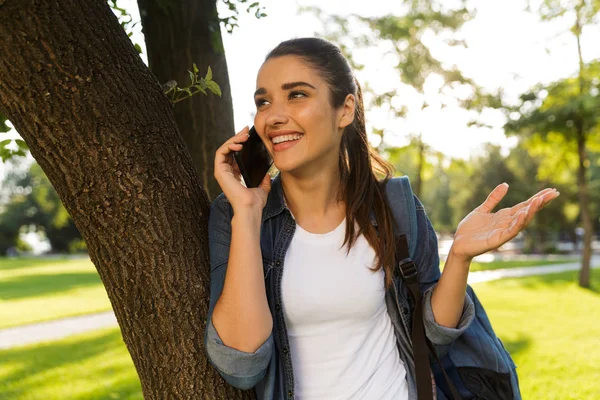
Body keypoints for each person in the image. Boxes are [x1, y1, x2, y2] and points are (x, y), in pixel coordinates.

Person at [204, 37, 559, 400]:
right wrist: (247, 215)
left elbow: (432, 335)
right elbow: (241, 366)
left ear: (344, 110)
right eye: (263, 101)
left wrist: (460, 257)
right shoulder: (236, 213)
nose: (273, 116)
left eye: (296, 94)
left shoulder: (395, 205)